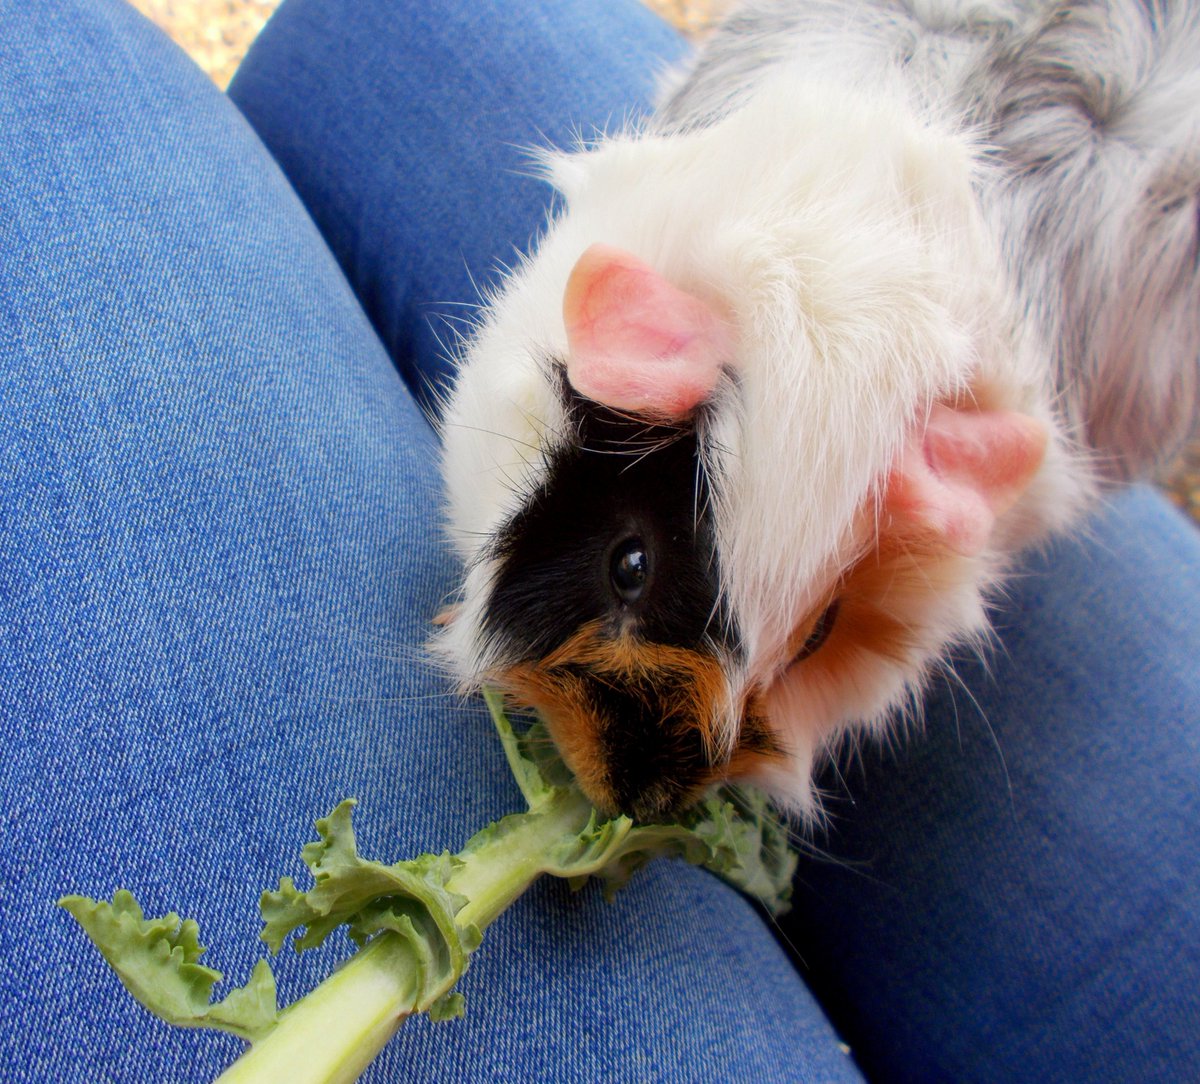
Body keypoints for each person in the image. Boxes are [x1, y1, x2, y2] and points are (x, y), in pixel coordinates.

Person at [1, 1, 1196, 1080]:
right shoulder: (637, 324)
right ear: (632, 335)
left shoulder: (975, 455)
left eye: (807, 628)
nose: (661, 780)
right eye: (631, 571)